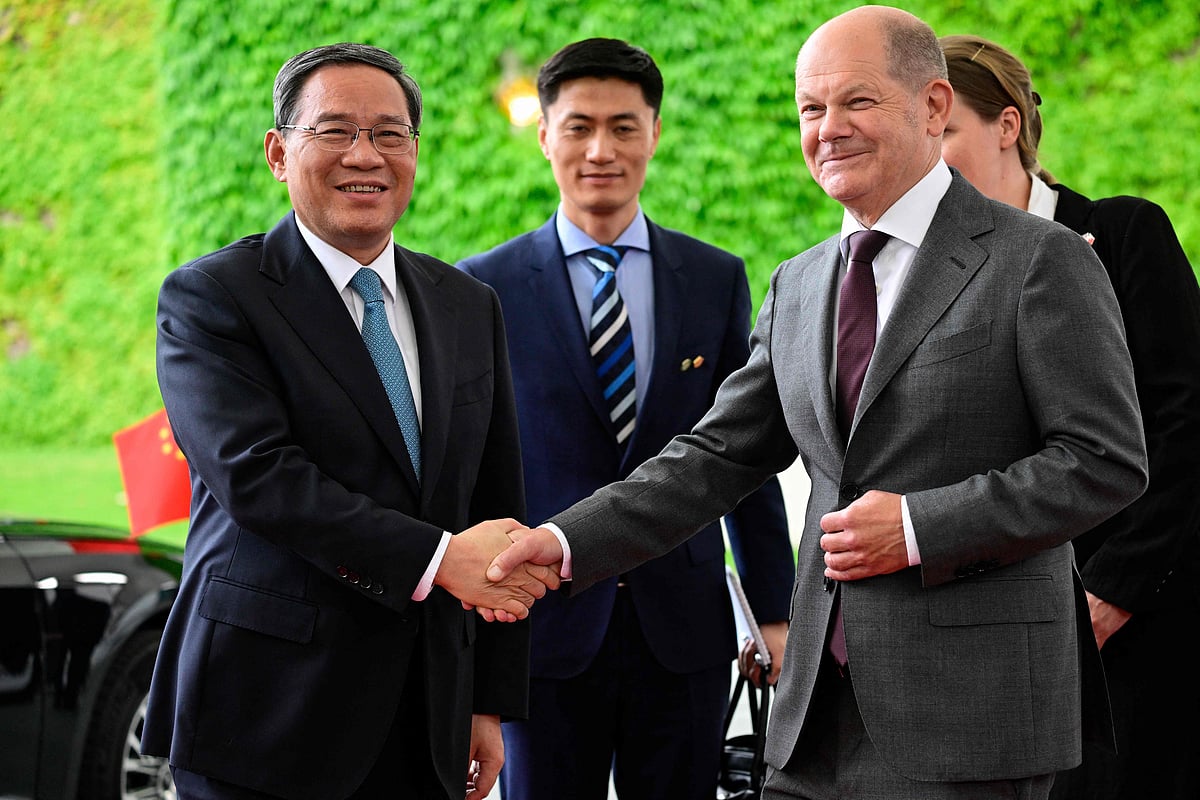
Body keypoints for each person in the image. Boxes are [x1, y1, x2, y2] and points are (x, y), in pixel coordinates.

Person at [486, 7, 1150, 799]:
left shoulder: (1039, 260)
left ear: (934, 106)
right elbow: (714, 458)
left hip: (969, 717)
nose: (828, 129)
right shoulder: (798, 282)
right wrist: (564, 543)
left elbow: (1105, 462)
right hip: (809, 722)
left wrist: (913, 527)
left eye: (856, 102)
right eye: (810, 109)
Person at [140, 43, 559, 800]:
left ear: (415, 152)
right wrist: (436, 559)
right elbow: (260, 478)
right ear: (278, 152)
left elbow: (497, 504)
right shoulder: (214, 299)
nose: (364, 155)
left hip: (427, 716)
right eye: (333, 131)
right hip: (267, 714)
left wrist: (488, 698)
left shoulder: (467, 304)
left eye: (389, 133)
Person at [457, 37, 795, 800]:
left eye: (623, 126)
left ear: (655, 133)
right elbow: (472, 477)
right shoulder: (482, 290)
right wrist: (475, 654)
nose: (600, 149)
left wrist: (775, 612)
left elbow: (745, 455)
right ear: (544, 135)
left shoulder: (713, 278)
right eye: (577, 126)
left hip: (683, 632)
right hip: (540, 630)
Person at [940, 33, 1200, 800]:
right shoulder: (933, 274)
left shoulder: (1123, 233)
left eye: (944, 129)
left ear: (1008, 125)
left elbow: (1184, 423)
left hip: (1136, 622)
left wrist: (1113, 593)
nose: (927, 156)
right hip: (998, 637)